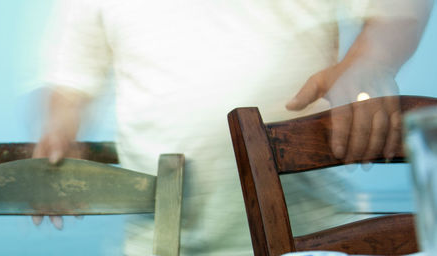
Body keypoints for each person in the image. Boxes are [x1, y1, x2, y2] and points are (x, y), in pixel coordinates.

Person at [32, 0, 433, 255]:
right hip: (157, 245)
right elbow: (70, 83)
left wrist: (369, 61)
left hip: (310, 237)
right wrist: (59, 134)